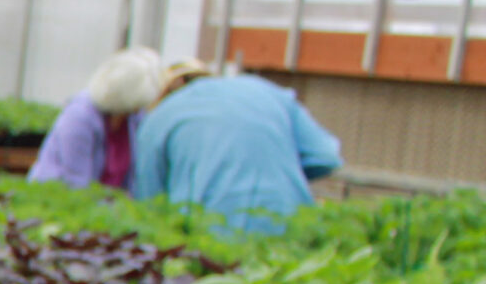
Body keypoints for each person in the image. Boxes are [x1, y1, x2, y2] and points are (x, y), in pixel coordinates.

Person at [131, 59, 342, 234]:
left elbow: (150, 201)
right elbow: (326, 155)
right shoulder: (266, 91)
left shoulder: (158, 117)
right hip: (286, 222)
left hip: (208, 231)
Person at [28, 47, 161, 190]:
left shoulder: (134, 118)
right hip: (58, 201)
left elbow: (134, 177)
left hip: (108, 206)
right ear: (125, 97)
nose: (139, 109)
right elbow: (76, 182)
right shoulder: (79, 117)